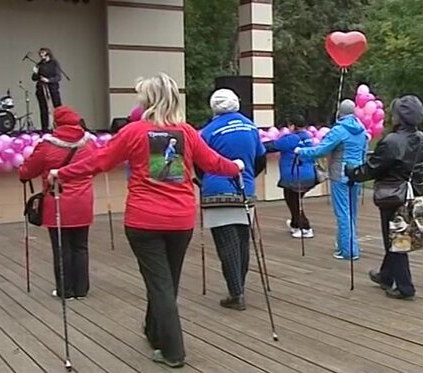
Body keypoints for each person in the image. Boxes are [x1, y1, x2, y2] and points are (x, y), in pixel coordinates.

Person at [48, 73, 244, 368]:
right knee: (166, 282)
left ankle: (173, 352)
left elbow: (99, 161)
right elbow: (213, 162)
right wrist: (236, 166)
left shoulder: (133, 131)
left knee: (160, 284)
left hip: (144, 220)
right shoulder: (187, 132)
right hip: (180, 219)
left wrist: (61, 173)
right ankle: (155, 332)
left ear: (148, 100)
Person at [346, 95, 423, 300]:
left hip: (394, 195)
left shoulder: (392, 141)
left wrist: (352, 172)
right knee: (399, 235)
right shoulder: (422, 139)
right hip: (415, 192)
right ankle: (386, 276)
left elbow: (373, 168)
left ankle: (405, 287)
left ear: (400, 117)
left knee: (396, 240)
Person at [196, 88, 267, 311]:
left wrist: (203, 182)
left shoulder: (207, 131)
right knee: (242, 240)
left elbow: (199, 163)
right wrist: (248, 178)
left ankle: (236, 293)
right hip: (245, 189)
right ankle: (239, 287)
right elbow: (261, 160)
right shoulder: (251, 126)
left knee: (227, 244)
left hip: (217, 190)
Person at [18, 106, 97, 300]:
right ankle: (81, 289)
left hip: (57, 201)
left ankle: (65, 290)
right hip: (83, 200)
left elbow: (28, 170)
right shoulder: (89, 144)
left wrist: (23, 172)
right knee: (81, 246)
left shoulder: (47, 145)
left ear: (56, 123)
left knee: (61, 248)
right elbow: (95, 167)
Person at [295, 99, 368, 260]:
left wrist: (301, 151)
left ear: (340, 112)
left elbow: (321, 150)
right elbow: (364, 153)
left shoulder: (339, 130)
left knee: (342, 213)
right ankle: (348, 245)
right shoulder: (362, 130)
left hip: (340, 175)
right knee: (352, 213)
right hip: (357, 174)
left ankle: (348, 250)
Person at [264, 114, 318, 238]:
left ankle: (305, 227)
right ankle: (295, 223)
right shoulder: (308, 137)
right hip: (309, 175)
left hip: (295, 175)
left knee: (293, 201)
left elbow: (272, 146)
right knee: (292, 198)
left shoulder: (291, 139)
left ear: (292, 126)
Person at [31, 47, 63, 133]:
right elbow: (34, 78)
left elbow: (58, 77)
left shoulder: (54, 63)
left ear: (47, 53)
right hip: (41, 89)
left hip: (53, 89)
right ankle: (45, 128)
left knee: (58, 108)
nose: (41, 55)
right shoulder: (39, 64)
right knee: (43, 109)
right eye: (40, 53)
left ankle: (60, 127)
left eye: (42, 53)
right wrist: (35, 73)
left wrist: (48, 80)